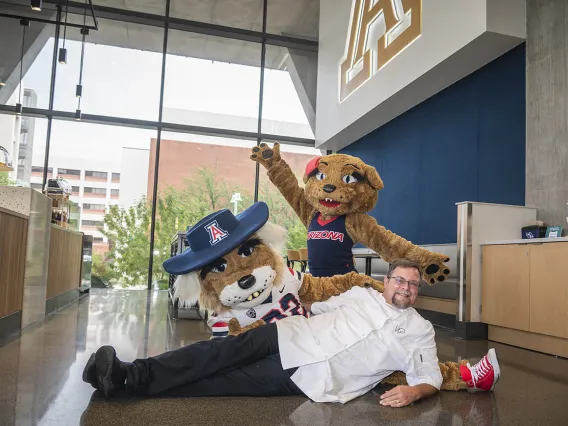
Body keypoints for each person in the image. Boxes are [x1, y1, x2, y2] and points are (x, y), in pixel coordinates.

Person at [83, 259, 500, 405]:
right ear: (387, 281)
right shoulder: (359, 294)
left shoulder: (420, 331)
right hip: (288, 335)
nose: (405, 288)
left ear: (417, 290)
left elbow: (426, 376)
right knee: (212, 355)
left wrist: (414, 392)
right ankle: (127, 373)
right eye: (399, 281)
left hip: (312, 375)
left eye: (412, 285)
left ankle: (119, 387)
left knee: (218, 383)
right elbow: (314, 305)